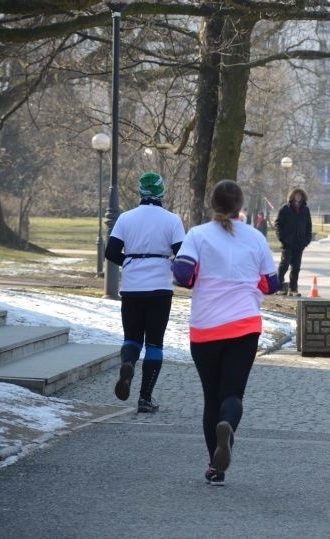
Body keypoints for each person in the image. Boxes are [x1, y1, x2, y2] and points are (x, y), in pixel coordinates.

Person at [172, 179, 280, 485]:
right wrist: (251, 284)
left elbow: (183, 274)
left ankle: (215, 467)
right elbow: (271, 283)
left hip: (205, 327)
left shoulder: (198, 235)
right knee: (232, 393)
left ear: (212, 204)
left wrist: (191, 277)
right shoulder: (256, 237)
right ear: (240, 206)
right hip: (244, 325)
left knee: (211, 396)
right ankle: (228, 424)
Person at [105, 171, 185, 413]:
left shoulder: (126, 218)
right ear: (162, 192)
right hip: (160, 287)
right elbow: (182, 253)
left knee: (131, 337)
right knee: (154, 343)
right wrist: (167, 264)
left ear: (140, 192)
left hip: (132, 287)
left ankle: (128, 363)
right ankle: (145, 398)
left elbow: (110, 252)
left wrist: (130, 262)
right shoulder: (172, 220)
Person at [274, 188, 312, 296]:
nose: (298, 197)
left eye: (300, 195)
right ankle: (279, 287)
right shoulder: (285, 209)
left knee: (296, 267)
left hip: (299, 244)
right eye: (296, 195)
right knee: (284, 265)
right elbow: (278, 224)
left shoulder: (305, 210)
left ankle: (293, 289)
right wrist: (282, 238)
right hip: (287, 243)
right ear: (292, 196)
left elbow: (308, 226)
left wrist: (306, 241)